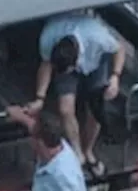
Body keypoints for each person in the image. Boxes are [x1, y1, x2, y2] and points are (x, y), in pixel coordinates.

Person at [26, 11, 129, 178]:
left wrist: (115, 77)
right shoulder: (48, 38)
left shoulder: (98, 36)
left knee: (96, 107)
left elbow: (120, 48)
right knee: (65, 109)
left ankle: (88, 151)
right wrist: (40, 97)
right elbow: (46, 66)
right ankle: (78, 153)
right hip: (66, 61)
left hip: (96, 61)